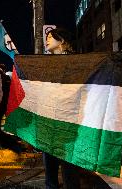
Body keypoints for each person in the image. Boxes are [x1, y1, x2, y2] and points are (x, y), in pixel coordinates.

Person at [44, 28, 82, 189]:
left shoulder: (74, 62)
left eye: (50, 37)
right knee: (49, 157)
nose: (47, 40)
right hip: (50, 116)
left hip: (67, 118)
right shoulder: (49, 63)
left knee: (67, 160)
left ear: (61, 41)